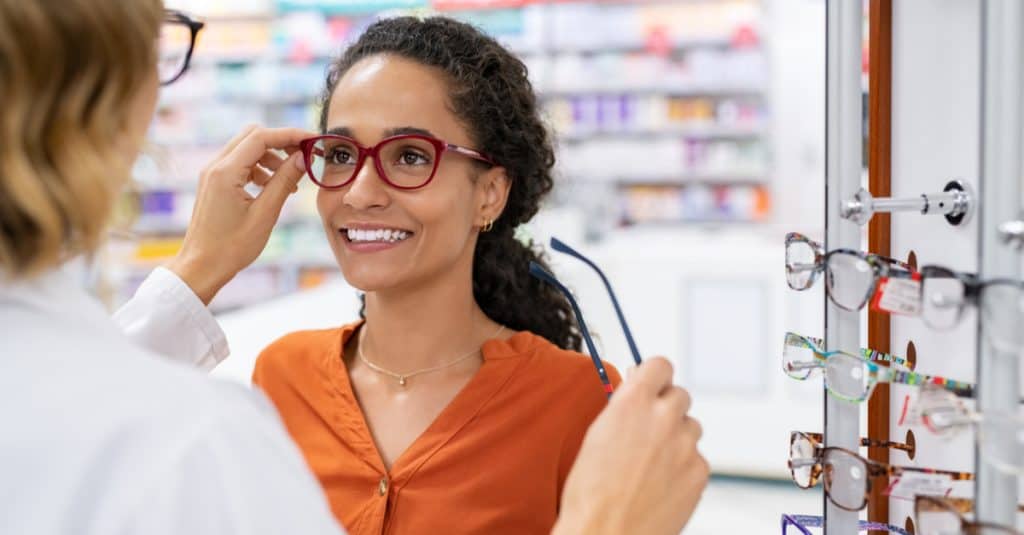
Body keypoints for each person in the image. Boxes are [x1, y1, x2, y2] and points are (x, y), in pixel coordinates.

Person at [0, 2, 708, 535]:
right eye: (338, 155)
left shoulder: (584, 403)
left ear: (490, 191)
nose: (362, 188)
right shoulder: (278, 376)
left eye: (409, 156)